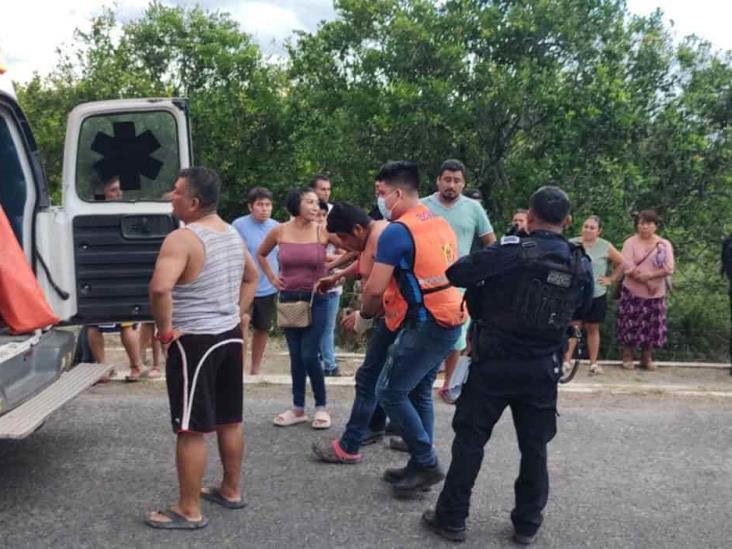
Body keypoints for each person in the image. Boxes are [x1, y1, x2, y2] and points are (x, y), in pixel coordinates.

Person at [422, 186, 593, 545]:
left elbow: (457, 273)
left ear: (529, 217)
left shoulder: (512, 250)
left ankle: (452, 518)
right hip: (543, 367)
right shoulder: (579, 261)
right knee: (534, 446)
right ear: (568, 221)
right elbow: (586, 310)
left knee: (470, 440)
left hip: (494, 363)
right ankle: (527, 524)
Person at [145, 167, 258, 530]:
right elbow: (252, 277)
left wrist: (164, 332)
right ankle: (230, 489)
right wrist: (235, 312)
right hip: (227, 336)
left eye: (176, 192)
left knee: (191, 428)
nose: (170, 196)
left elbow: (161, 289)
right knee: (229, 417)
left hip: (194, 341)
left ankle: (188, 509)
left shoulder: (183, 239)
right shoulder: (231, 233)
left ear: (193, 202)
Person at [358, 160, 465, 495]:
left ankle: (426, 461)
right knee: (417, 390)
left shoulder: (397, 231)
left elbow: (375, 289)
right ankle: (420, 464)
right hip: (450, 317)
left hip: (427, 323)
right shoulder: (438, 223)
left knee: (389, 392)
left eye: (382, 193)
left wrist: (364, 317)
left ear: (398, 193)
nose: (380, 200)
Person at [311, 202, 393, 463]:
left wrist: (364, 318)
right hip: (396, 315)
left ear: (357, 229)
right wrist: (337, 276)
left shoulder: (380, 238)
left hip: (397, 315)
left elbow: (375, 290)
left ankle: (350, 445)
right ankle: (377, 425)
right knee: (383, 377)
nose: (344, 247)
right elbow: (362, 263)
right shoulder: (376, 232)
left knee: (370, 378)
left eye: (344, 239)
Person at [257, 187, 338, 429]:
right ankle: (298, 408)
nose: (316, 207)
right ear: (296, 204)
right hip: (289, 297)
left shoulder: (322, 231)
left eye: (317, 203)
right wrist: (272, 278)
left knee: (309, 354)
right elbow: (261, 254)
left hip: (318, 299)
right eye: (310, 202)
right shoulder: (280, 230)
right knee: (295, 356)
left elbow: (354, 250)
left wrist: (335, 272)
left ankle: (321, 407)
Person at [421, 159, 496, 404]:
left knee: (457, 337)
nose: (451, 185)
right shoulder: (422, 207)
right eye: (447, 179)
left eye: (456, 180)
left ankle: (449, 384)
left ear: (463, 184)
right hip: (424, 283)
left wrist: (482, 271)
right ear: (438, 181)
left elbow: (491, 244)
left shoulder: (474, 209)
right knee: (421, 331)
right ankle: (419, 381)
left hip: (460, 284)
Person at [562, 215, 624, 375]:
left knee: (592, 327)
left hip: (596, 293)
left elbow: (622, 263)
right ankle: (566, 360)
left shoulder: (605, 246)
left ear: (599, 231)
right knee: (574, 326)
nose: (588, 230)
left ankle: (594, 363)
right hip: (575, 293)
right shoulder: (571, 243)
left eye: (592, 227)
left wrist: (611, 278)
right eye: (586, 226)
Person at [616, 210, 674, 370]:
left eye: (648, 224)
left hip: (656, 293)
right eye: (641, 223)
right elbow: (627, 265)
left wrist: (651, 276)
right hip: (632, 290)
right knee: (630, 323)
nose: (644, 227)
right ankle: (627, 356)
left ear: (655, 226)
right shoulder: (630, 242)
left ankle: (646, 358)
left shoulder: (664, 244)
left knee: (652, 326)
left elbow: (669, 267)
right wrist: (646, 281)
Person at [232, 187, 280, 375]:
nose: (264, 208)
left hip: (268, 287)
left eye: (268, 204)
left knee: (262, 328)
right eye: (260, 204)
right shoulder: (238, 225)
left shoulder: (277, 227)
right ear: (250, 206)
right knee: (242, 322)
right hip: (243, 285)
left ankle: (255, 368)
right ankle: (240, 367)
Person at [316, 199, 344, 376]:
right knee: (313, 326)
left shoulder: (333, 234)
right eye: (317, 214)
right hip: (310, 287)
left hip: (332, 287)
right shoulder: (304, 234)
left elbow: (348, 253)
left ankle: (330, 364)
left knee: (328, 327)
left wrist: (327, 259)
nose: (320, 218)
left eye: (324, 215)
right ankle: (321, 361)